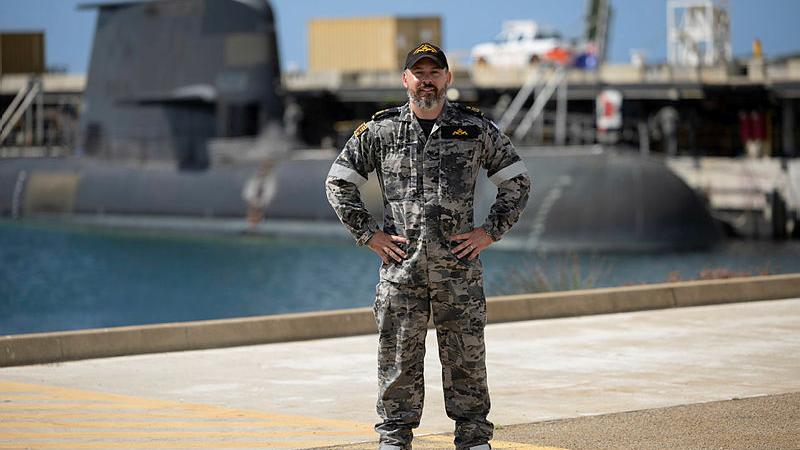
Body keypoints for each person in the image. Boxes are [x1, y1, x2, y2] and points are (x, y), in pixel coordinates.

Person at [325, 42, 531, 450]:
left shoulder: (475, 129)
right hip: (402, 273)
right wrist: (369, 235)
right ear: (406, 81)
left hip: (459, 271)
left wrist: (489, 232)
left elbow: (517, 181)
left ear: (447, 78)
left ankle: (473, 439)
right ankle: (394, 439)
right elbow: (338, 182)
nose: (427, 81)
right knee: (398, 361)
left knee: (467, 360)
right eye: (419, 74)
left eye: (434, 73)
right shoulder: (381, 131)